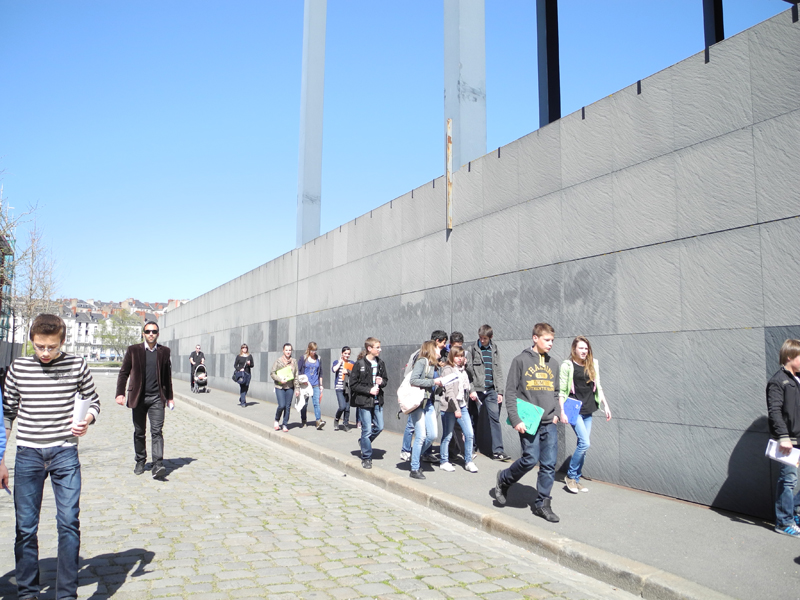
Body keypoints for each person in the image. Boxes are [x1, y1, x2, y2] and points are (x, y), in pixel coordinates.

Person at [0, 313, 100, 600]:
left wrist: (88, 419)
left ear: (62, 341)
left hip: (65, 453)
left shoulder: (77, 364)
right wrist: (0, 459)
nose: (45, 353)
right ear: (32, 340)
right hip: (28, 454)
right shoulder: (18, 368)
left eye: (51, 347)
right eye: (39, 347)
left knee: (69, 522)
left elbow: (94, 400)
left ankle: (67, 595)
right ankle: (27, 593)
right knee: (25, 527)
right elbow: (7, 414)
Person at [495, 323, 561, 523]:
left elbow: (557, 392)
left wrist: (557, 412)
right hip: (528, 421)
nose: (550, 344)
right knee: (530, 459)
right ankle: (504, 479)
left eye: (552, 341)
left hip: (549, 421)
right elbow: (511, 392)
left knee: (549, 464)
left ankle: (543, 504)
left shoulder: (554, 364)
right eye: (547, 340)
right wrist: (515, 419)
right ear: (535, 338)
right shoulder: (520, 361)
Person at [115, 320, 175, 480]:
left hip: (157, 398)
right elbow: (123, 373)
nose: (151, 334)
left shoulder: (164, 352)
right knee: (139, 432)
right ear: (143, 333)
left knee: (157, 432)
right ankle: (140, 461)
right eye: (148, 331)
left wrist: (170, 397)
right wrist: (120, 393)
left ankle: (158, 464)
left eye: (154, 332)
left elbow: (167, 377)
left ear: (158, 334)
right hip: (139, 398)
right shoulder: (133, 350)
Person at [559, 336, 612, 494]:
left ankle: (575, 478)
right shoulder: (567, 365)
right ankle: (570, 476)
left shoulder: (592, 363)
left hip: (588, 408)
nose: (584, 351)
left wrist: (606, 406)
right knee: (585, 443)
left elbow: (599, 387)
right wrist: (562, 411)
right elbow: (562, 391)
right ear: (574, 349)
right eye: (581, 348)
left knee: (584, 445)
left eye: (586, 348)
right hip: (573, 409)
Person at [767, 339, 800, 537]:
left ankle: (794, 511)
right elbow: (775, 412)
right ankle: (783, 521)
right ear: (789, 357)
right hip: (790, 441)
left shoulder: (798, 379)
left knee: (791, 480)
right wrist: (783, 436)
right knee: (788, 480)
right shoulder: (778, 381)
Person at [400, 330, 448, 462]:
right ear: (436, 342)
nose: (444, 346)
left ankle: (421, 454)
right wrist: (433, 381)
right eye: (443, 343)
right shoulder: (421, 357)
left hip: (429, 398)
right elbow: (412, 377)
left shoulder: (436, 360)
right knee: (413, 427)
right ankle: (406, 451)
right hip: (417, 397)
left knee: (430, 433)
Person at [468, 325, 510, 461]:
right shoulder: (472, 349)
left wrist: (500, 392)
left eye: (485, 338)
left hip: (491, 390)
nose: (482, 340)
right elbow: (468, 373)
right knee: (473, 418)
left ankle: (498, 451)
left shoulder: (494, 349)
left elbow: (498, 371)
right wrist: (472, 389)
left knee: (495, 420)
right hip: (477, 390)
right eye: (480, 338)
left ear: (490, 337)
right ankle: (471, 447)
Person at [350, 337, 388, 469]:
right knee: (366, 429)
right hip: (364, 401)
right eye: (377, 347)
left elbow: (385, 380)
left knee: (380, 426)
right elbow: (353, 384)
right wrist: (368, 390)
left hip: (377, 400)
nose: (380, 349)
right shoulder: (359, 364)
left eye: (379, 347)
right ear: (369, 348)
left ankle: (364, 443)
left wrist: (381, 382)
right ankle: (366, 457)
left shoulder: (381, 363)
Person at [440, 346, 477, 473]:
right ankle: (444, 461)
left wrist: (472, 392)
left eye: (461, 356)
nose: (460, 359)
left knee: (469, 434)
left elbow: (467, 385)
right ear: (451, 357)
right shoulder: (448, 370)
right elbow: (449, 392)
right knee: (448, 435)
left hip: (462, 405)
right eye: (457, 356)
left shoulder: (463, 370)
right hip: (450, 407)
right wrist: (456, 409)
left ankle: (468, 461)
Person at [408, 340, 442, 480]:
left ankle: (415, 455)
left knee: (433, 435)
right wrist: (433, 382)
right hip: (418, 403)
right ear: (431, 350)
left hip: (428, 403)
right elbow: (413, 380)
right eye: (437, 349)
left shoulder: (435, 365)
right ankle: (414, 468)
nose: (440, 351)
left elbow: (435, 386)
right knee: (421, 435)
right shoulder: (422, 362)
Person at [271, 343, 299, 432]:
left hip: (290, 387)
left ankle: (285, 424)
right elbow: (272, 373)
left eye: (289, 350)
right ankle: (276, 419)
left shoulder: (294, 362)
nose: (288, 352)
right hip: (280, 386)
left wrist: (297, 388)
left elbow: (296, 375)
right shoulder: (278, 361)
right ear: (283, 351)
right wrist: (279, 379)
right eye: (286, 350)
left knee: (287, 406)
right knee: (281, 405)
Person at [298, 342, 326, 430]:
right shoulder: (303, 358)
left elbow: (320, 372)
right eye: (312, 350)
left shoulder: (318, 358)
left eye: (315, 350)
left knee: (316, 403)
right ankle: (303, 420)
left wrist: (321, 385)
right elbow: (298, 371)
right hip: (305, 385)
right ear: (309, 349)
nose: (314, 352)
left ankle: (318, 421)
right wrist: (302, 381)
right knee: (304, 404)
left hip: (315, 384)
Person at [331, 346, 352, 432]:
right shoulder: (337, 362)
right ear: (342, 353)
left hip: (348, 388)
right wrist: (340, 363)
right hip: (339, 387)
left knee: (347, 408)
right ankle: (336, 420)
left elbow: (355, 374)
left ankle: (345, 424)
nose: (347, 355)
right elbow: (334, 369)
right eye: (345, 353)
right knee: (342, 406)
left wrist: (348, 372)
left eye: (348, 354)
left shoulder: (351, 363)